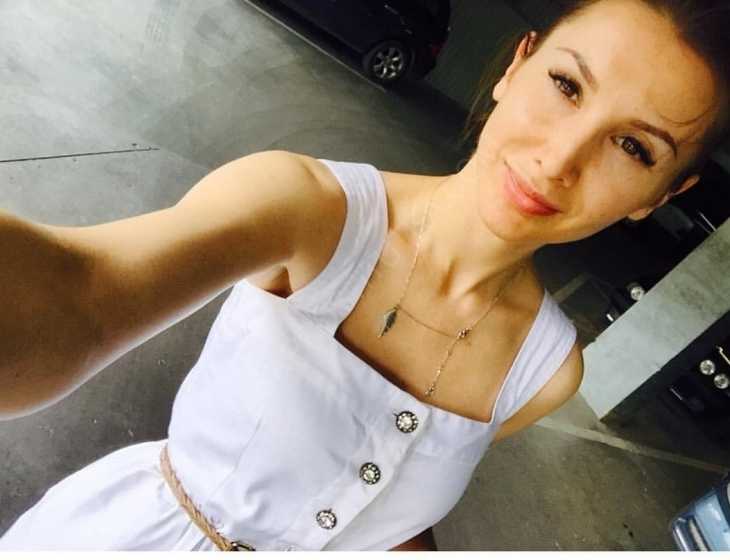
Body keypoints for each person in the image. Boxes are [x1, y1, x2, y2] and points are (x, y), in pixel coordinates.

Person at [0, 0, 728, 551]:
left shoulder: (546, 370)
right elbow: (79, 298)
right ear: (516, 68)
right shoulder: (306, 208)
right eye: (567, 85)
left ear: (663, 195)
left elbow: (385, 509)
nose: (560, 159)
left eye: (634, 147)